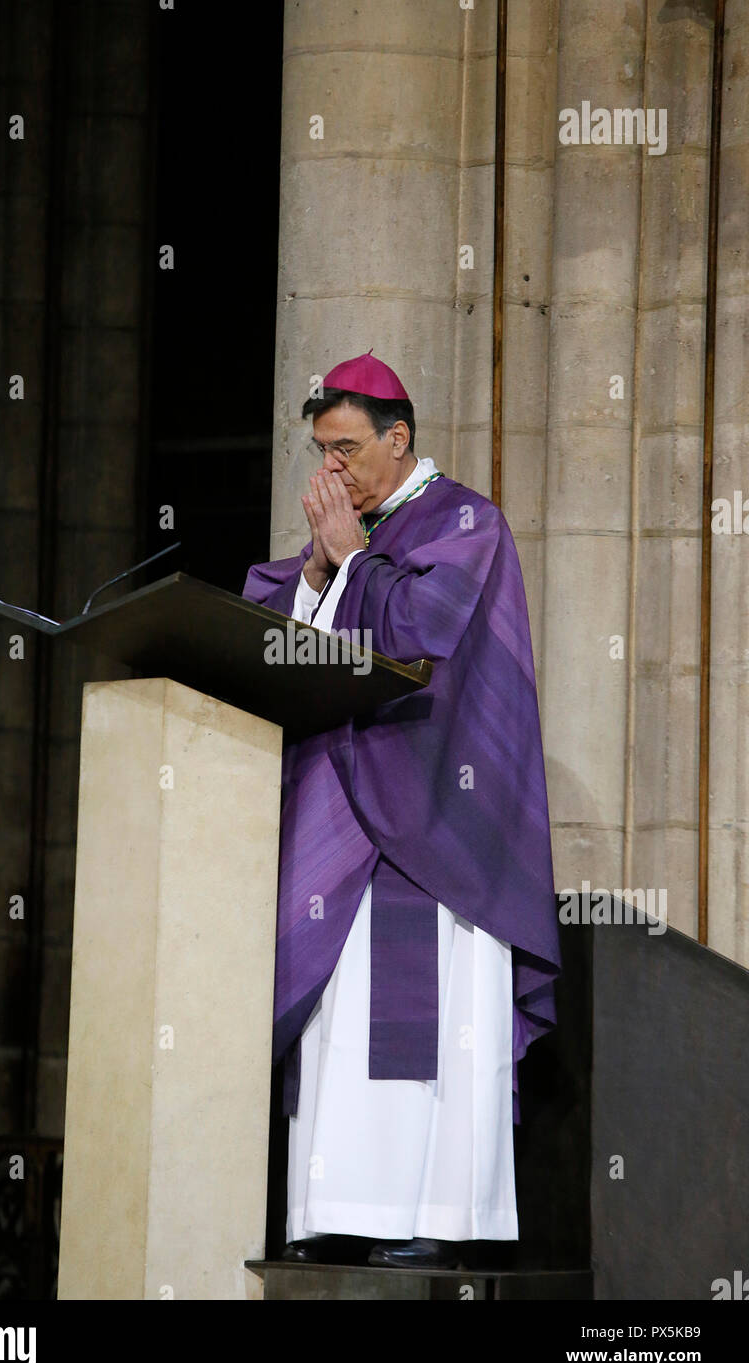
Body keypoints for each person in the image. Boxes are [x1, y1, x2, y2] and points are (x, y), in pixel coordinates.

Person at [243, 351, 560, 1269]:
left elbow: (423, 629)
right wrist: (315, 569)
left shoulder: (467, 522)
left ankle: (439, 1219)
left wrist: (354, 559)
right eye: (320, 450)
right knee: (341, 1026)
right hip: (342, 823)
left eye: (345, 449)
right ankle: (338, 1209)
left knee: (435, 1022)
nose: (330, 469)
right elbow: (282, 628)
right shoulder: (357, 535)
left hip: (436, 824)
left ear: (399, 438)